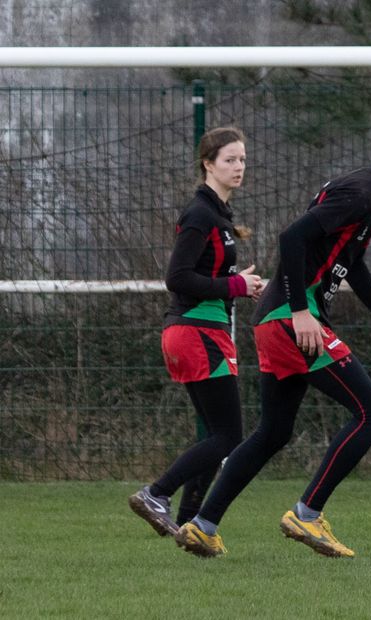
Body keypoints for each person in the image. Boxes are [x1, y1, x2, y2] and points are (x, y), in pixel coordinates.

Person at [174, 111, 371, 559]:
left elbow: (349, 261)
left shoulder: (370, 193)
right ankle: (307, 513)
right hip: (290, 317)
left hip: (278, 316)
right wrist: (302, 310)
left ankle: (203, 525)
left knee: (273, 432)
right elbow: (292, 237)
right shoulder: (361, 193)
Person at [129, 127, 264, 537]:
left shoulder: (218, 214)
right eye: (229, 160)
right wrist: (234, 286)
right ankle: (157, 494)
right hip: (195, 332)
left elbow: (207, 273)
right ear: (208, 163)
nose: (238, 167)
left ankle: (188, 520)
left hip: (199, 331)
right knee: (228, 435)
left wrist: (237, 282)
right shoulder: (199, 214)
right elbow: (178, 278)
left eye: (242, 159)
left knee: (216, 433)